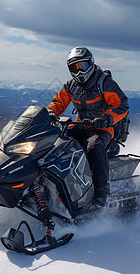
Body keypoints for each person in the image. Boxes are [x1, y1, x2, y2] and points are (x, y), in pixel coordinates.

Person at [47, 46, 129, 208]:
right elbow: (58, 102)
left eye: (81, 66)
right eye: (74, 68)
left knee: (93, 146)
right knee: (57, 142)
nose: (78, 72)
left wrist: (107, 119)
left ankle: (101, 193)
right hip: (80, 126)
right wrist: (49, 112)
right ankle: (54, 184)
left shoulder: (105, 83)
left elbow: (121, 105)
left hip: (103, 129)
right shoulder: (71, 85)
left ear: (90, 64)